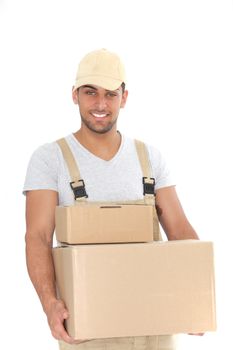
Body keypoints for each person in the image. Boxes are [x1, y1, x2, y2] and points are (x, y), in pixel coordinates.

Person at [23, 48, 202, 350]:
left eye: (111, 94)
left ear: (125, 97)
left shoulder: (150, 158)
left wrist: (198, 297)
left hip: (153, 327)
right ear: (74, 95)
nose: (101, 104)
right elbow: (37, 237)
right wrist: (50, 304)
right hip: (87, 330)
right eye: (90, 92)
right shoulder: (50, 159)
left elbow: (180, 231)